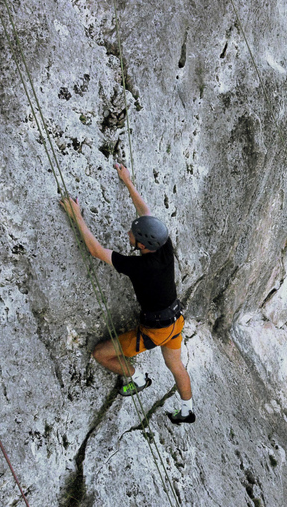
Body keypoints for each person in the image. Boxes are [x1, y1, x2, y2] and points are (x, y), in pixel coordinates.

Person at [59, 163, 195, 425]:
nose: (128, 233)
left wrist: (77, 216)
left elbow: (96, 251)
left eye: (133, 234)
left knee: (101, 354)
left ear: (142, 245)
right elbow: (146, 213)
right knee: (175, 365)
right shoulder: (163, 244)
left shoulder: (139, 267)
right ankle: (187, 410)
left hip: (155, 330)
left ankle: (136, 378)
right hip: (175, 322)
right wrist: (128, 181)